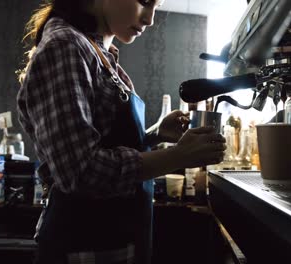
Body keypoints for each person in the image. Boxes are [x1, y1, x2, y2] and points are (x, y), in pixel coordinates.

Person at [16, 0, 226, 263]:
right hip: (84, 243)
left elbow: (101, 140)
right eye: (145, 2)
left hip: (115, 238)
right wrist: (180, 156)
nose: (150, 19)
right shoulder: (65, 46)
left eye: (156, 6)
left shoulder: (98, 51)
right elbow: (80, 170)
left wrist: (154, 134)